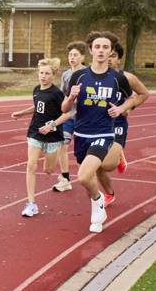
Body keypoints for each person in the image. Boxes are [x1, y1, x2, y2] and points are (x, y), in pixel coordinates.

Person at [62, 30, 139, 234]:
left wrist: (121, 109)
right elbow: (64, 108)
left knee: (84, 176)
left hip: (104, 134)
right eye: (97, 47)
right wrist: (71, 97)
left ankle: (98, 204)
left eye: (106, 47)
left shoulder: (117, 79)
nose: (101, 50)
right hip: (81, 135)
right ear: (90, 50)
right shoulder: (78, 76)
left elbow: (132, 98)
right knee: (89, 177)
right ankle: (98, 207)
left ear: (111, 51)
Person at [11, 58, 70, 217]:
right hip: (35, 132)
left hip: (53, 136)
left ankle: (56, 170)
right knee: (31, 165)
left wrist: (51, 126)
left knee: (48, 170)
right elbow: (37, 105)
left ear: (53, 75)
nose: (43, 76)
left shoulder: (57, 94)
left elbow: (67, 113)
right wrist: (21, 113)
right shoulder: (37, 89)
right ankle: (31, 203)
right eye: (41, 73)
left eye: (47, 73)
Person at [100, 40, 150, 206]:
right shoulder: (94, 77)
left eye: (113, 56)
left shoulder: (127, 78)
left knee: (106, 165)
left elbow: (143, 94)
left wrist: (127, 107)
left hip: (118, 124)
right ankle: (109, 194)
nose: (109, 58)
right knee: (96, 167)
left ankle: (118, 152)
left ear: (119, 59)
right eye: (107, 54)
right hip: (97, 125)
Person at [53, 41, 87, 193]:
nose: (72, 58)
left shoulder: (88, 74)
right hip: (68, 116)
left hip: (84, 117)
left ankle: (88, 175)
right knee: (62, 145)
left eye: (75, 55)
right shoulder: (66, 75)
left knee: (83, 150)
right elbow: (63, 95)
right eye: (70, 55)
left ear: (82, 57)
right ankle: (65, 178)